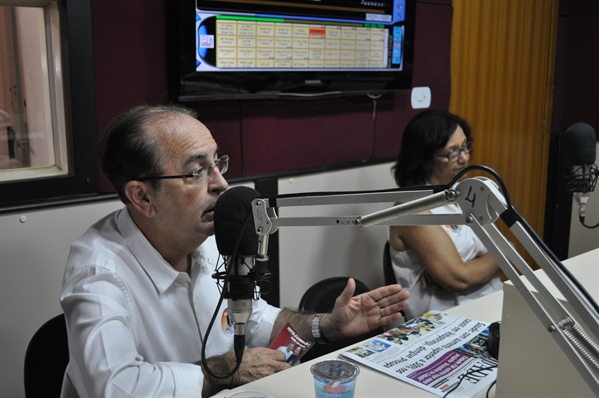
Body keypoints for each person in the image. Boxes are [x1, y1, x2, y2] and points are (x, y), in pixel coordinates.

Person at [60, 104, 410, 397]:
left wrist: (325, 325)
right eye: (197, 171)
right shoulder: (98, 271)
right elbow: (114, 387)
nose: (221, 184)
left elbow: (255, 318)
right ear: (143, 197)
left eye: (217, 163)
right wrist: (223, 371)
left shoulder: (207, 235)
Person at [389, 109, 502, 320]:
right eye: (452, 153)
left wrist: (496, 256)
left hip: (492, 305)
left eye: (465, 146)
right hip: (446, 322)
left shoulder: (465, 192)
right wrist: (497, 258)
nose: (465, 158)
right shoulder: (413, 206)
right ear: (425, 159)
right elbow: (460, 279)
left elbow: (503, 248)